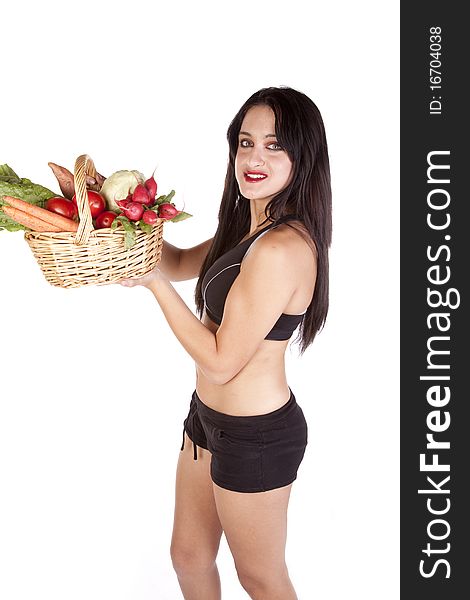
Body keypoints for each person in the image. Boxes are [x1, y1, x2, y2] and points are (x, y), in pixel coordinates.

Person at [119, 86, 332, 600]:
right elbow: (176, 262)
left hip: (256, 435)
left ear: (303, 158)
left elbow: (220, 362)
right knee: (189, 558)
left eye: (275, 145)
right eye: (245, 142)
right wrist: (123, 226)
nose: (254, 157)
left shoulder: (282, 248)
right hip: (207, 420)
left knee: (261, 578)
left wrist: (151, 285)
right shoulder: (249, 227)